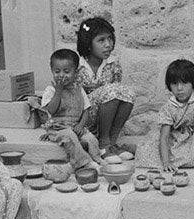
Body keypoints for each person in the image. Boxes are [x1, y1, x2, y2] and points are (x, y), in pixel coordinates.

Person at [27, 48, 103, 171]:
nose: (61, 75)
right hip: (58, 129)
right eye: (57, 71)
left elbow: (86, 110)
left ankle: (97, 158)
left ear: (76, 72)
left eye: (66, 71)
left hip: (75, 126)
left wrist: (81, 125)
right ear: (52, 71)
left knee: (90, 138)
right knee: (70, 137)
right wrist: (58, 91)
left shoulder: (79, 89)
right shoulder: (50, 90)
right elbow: (50, 111)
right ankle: (84, 163)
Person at [75, 17, 135, 154]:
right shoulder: (77, 66)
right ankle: (103, 143)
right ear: (88, 44)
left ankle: (111, 142)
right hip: (82, 118)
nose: (108, 44)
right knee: (112, 91)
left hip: (104, 118)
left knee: (128, 94)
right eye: (101, 40)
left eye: (110, 39)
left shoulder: (113, 64)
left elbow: (118, 97)